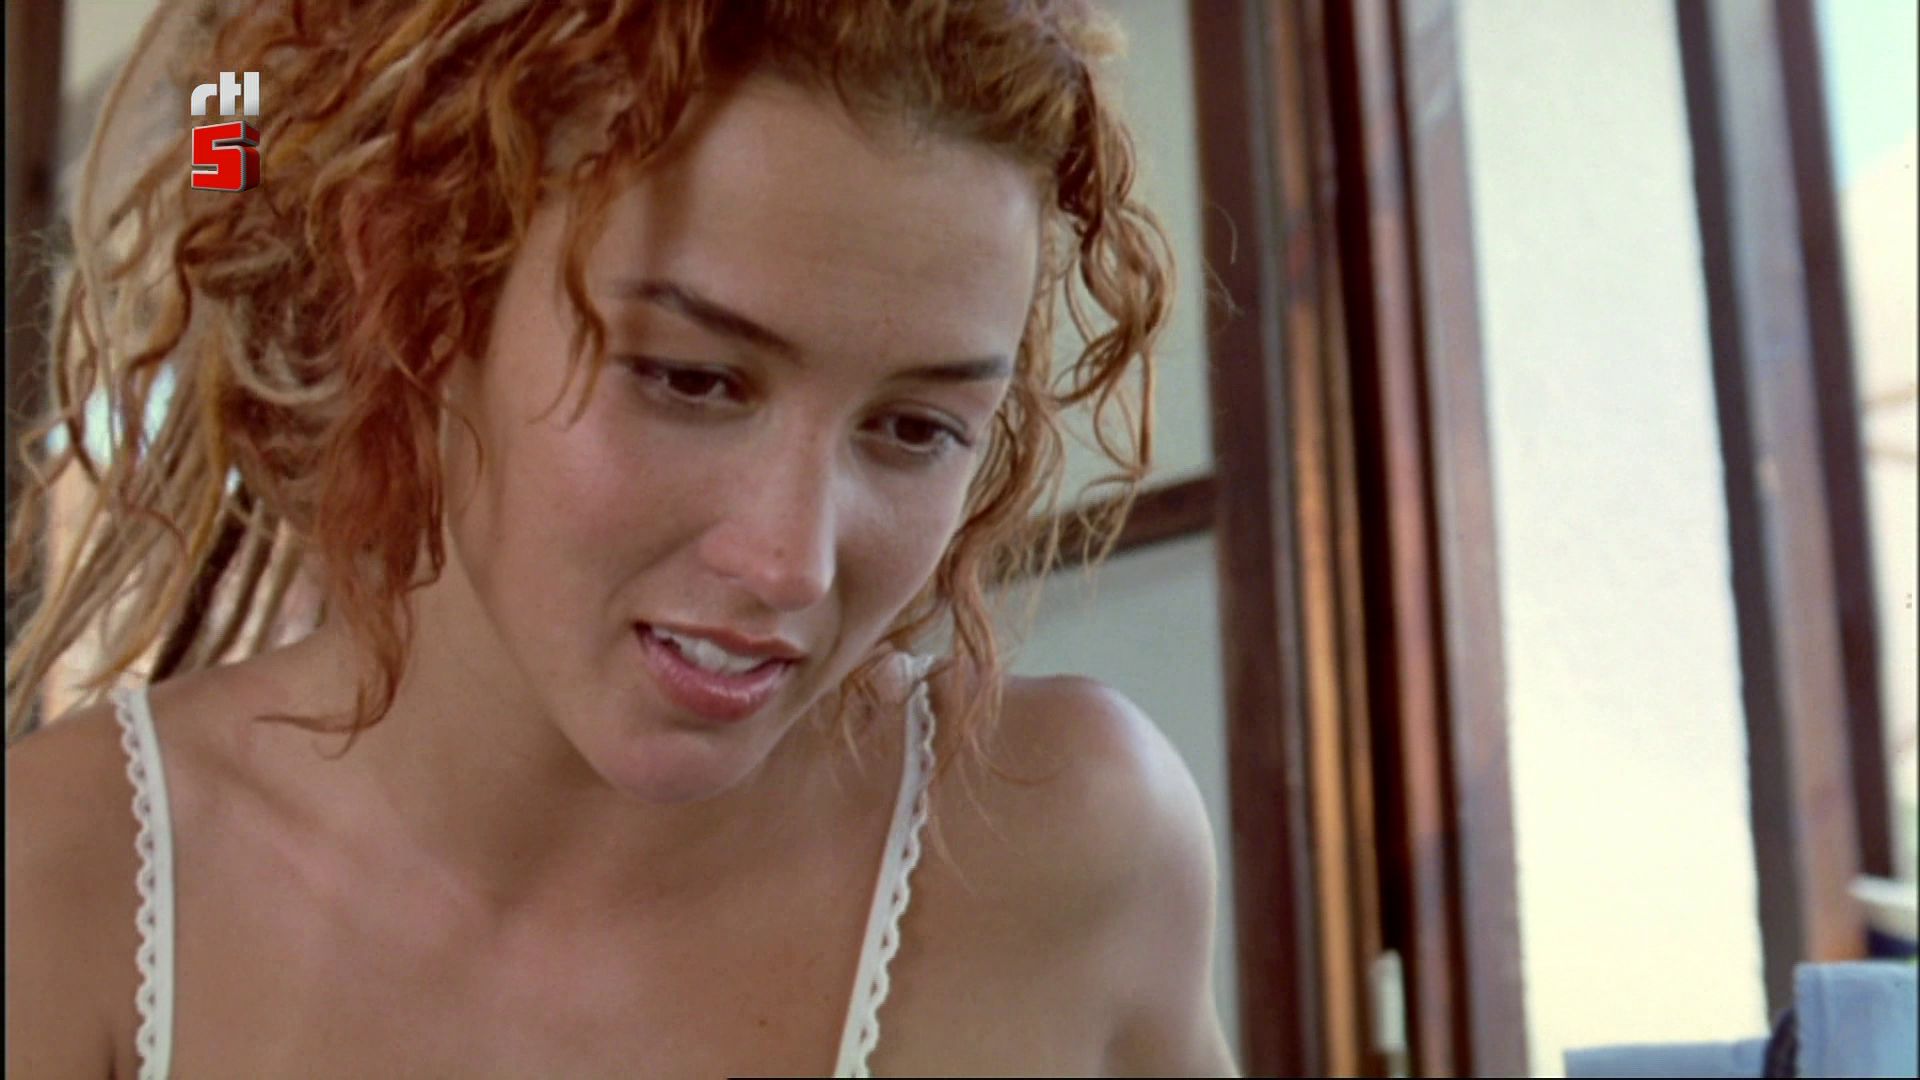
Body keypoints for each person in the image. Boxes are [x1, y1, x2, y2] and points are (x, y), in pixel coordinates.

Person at [5, 0, 1237, 1075]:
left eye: (915, 429)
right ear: (416, 291)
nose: (792, 563)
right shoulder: (66, 884)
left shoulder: (1073, 853)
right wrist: (233, 141)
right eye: (691, 379)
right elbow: (220, 102)